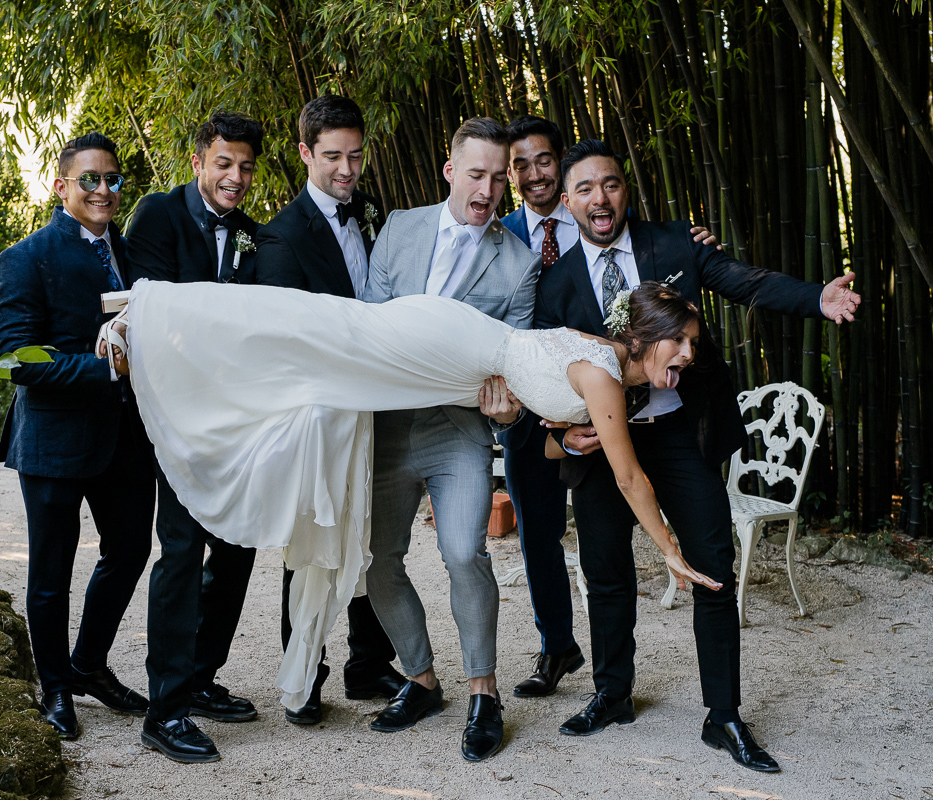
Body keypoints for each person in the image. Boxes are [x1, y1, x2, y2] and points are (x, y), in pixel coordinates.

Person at [102, 276, 722, 763]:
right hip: (445, 346)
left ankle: (478, 696)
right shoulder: (604, 372)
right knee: (326, 331)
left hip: (458, 360)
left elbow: (553, 435)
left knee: (325, 338)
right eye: (681, 342)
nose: (689, 355)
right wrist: (671, 550)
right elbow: (630, 477)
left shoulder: (605, 362)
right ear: (645, 335)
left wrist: (559, 436)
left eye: (693, 344)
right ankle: (157, 313)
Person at [524, 138, 860, 773]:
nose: (601, 198)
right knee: (605, 570)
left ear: (626, 189)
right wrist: (565, 437)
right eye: (586, 188)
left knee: (712, 565)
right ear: (566, 202)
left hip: (681, 432)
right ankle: (612, 693)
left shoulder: (676, 243)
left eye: (611, 184)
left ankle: (723, 714)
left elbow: (743, 280)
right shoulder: (555, 282)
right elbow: (543, 373)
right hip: (603, 444)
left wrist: (816, 298)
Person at [500, 116, 719, 699]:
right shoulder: (506, 240)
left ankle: (713, 708)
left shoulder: (660, 242)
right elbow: (535, 354)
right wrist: (553, 431)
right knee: (561, 546)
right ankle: (577, 664)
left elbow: (734, 279)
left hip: (640, 418)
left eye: (543, 160)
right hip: (547, 403)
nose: (533, 172)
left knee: (680, 562)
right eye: (519, 165)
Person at [358, 117, 537, 763]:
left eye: (499, 178)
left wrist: (508, 412)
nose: (487, 190)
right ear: (450, 170)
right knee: (377, 560)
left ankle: (484, 692)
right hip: (386, 426)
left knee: (465, 552)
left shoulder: (519, 264)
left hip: (458, 431)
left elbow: (516, 368)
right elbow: (369, 322)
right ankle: (422, 679)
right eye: (476, 174)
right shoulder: (399, 227)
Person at [0, 132, 152, 741]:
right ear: (61, 187)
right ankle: (56, 688)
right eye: (90, 179)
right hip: (54, 441)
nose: (103, 189)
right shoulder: (24, 258)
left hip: (126, 437)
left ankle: (88, 664)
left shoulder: (131, 253)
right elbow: (17, 359)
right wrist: (105, 368)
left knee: (130, 551)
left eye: (112, 179)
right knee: (51, 573)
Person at [255, 95, 405, 726]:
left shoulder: (373, 213)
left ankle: (367, 663)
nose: (347, 169)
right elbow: (283, 339)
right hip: (320, 414)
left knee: (372, 533)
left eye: (356, 155)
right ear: (305, 153)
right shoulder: (280, 235)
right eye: (334, 156)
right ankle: (306, 670)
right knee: (315, 539)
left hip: (377, 402)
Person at [124, 111, 265, 763]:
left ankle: (202, 678)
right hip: (175, 414)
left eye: (245, 168)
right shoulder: (156, 215)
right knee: (180, 552)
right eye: (224, 164)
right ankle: (165, 711)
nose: (235, 177)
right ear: (198, 162)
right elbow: (152, 310)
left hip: (234, 420)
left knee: (237, 546)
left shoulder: (252, 235)